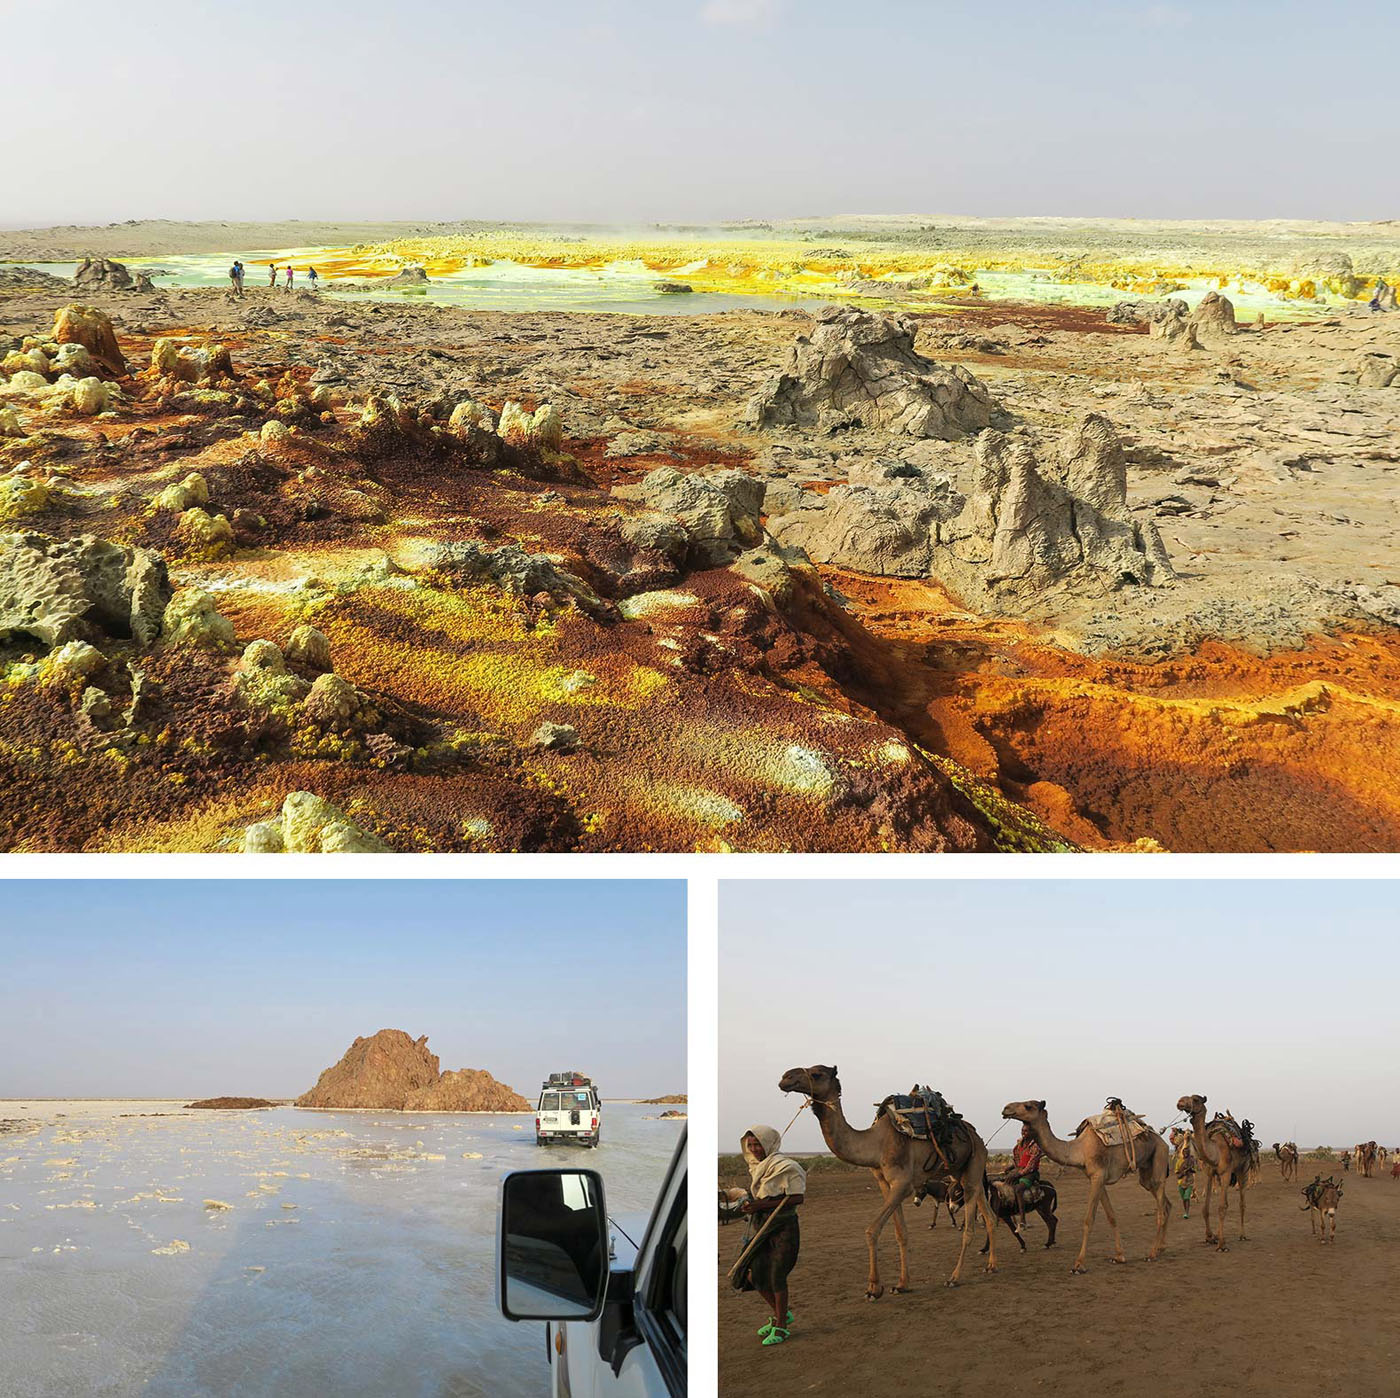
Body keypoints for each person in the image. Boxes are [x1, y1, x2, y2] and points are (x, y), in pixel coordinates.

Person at [734, 1126, 805, 1347]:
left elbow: (796, 1198)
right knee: (752, 1275)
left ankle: (781, 1326)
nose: (755, 1149)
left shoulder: (787, 1167)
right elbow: (760, 1194)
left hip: (783, 1227)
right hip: (762, 1225)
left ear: (769, 1143)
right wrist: (751, 1205)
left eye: (758, 1144)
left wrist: (760, 1204)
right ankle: (781, 1314)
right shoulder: (756, 1167)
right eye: (751, 1145)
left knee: (776, 1276)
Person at [1000, 1122, 1044, 1227]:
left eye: (1026, 1131)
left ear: (1032, 1132)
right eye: (1022, 1130)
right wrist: (1010, 1168)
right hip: (1019, 1171)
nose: (1023, 1133)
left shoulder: (1036, 1146)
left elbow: (1031, 1166)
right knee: (1004, 1184)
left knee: (1019, 1189)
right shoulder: (1018, 1146)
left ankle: (1023, 1219)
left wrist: (1018, 1174)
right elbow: (1017, 1161)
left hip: (1031, 1173)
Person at [1171, 1127, 1196, 1219]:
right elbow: (1177, 1172)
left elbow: (1194, 1170)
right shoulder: (1179, 1161)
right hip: (1181, 1182)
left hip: (1189, 1182)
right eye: (1184, 1152)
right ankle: (1185, 1210)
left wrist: (1190, 1169)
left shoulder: (1192, 1160)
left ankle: (1187, 1212)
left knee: (1186, 1198)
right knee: (1183, 1199)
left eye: (1187, 1152)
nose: (1185, 1153)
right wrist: (1182, 1172)